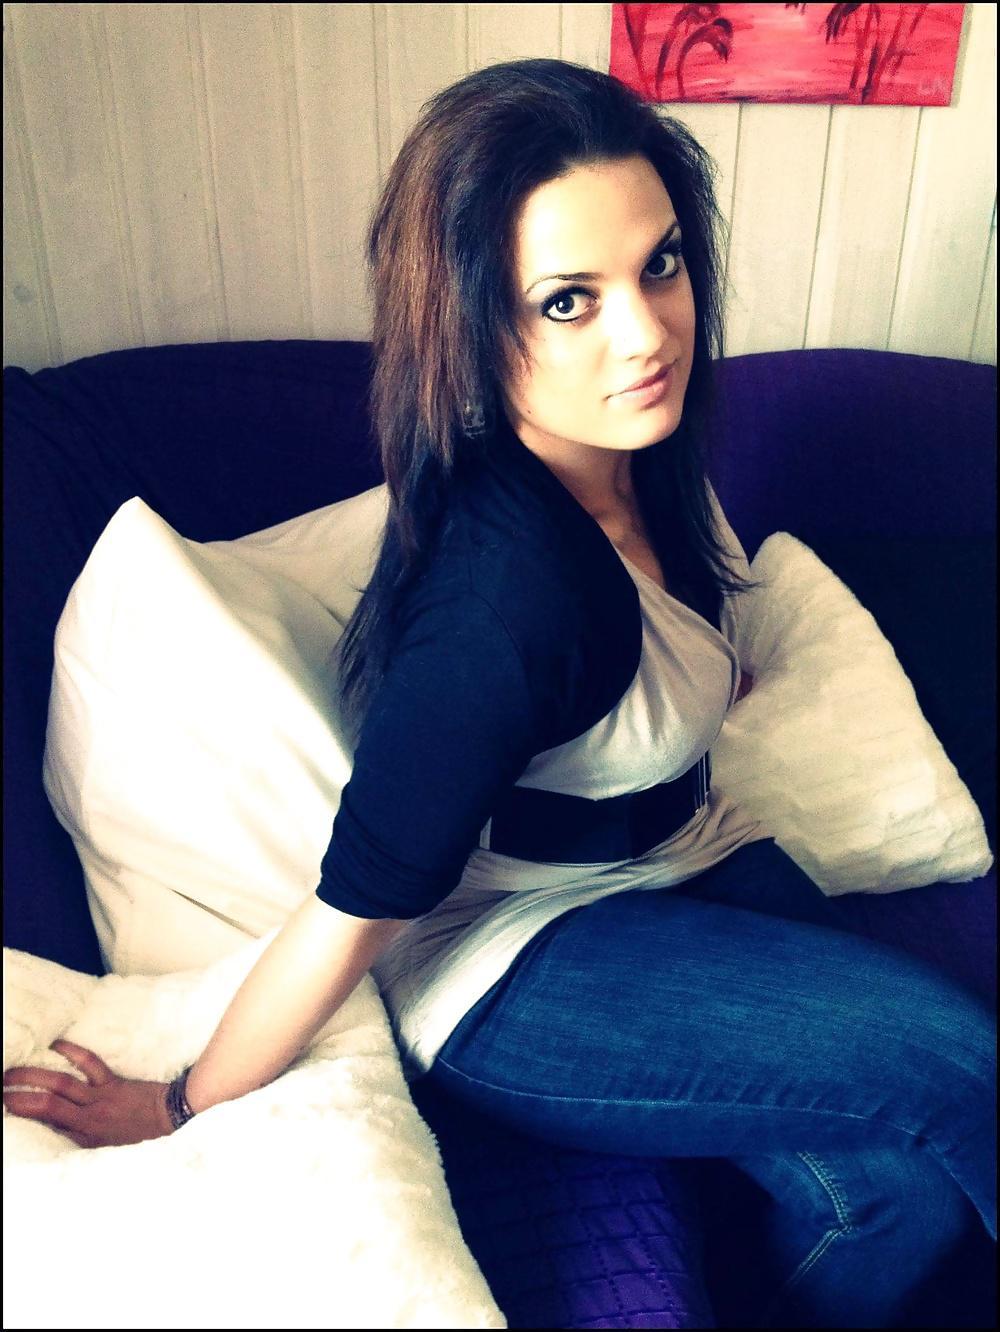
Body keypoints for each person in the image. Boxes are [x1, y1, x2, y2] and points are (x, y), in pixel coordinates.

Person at [4, 58, 994, 1329]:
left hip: (680, 855)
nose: (646, 333)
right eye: (568, 300)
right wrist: (180, 1100)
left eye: (660, 264)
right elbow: (352, 904)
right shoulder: (504, 601)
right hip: (516, 961)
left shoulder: (644, 452)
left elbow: (665, 660)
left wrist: (699, 686)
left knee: (890, 1196)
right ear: (473, 326)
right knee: (965, 1065)